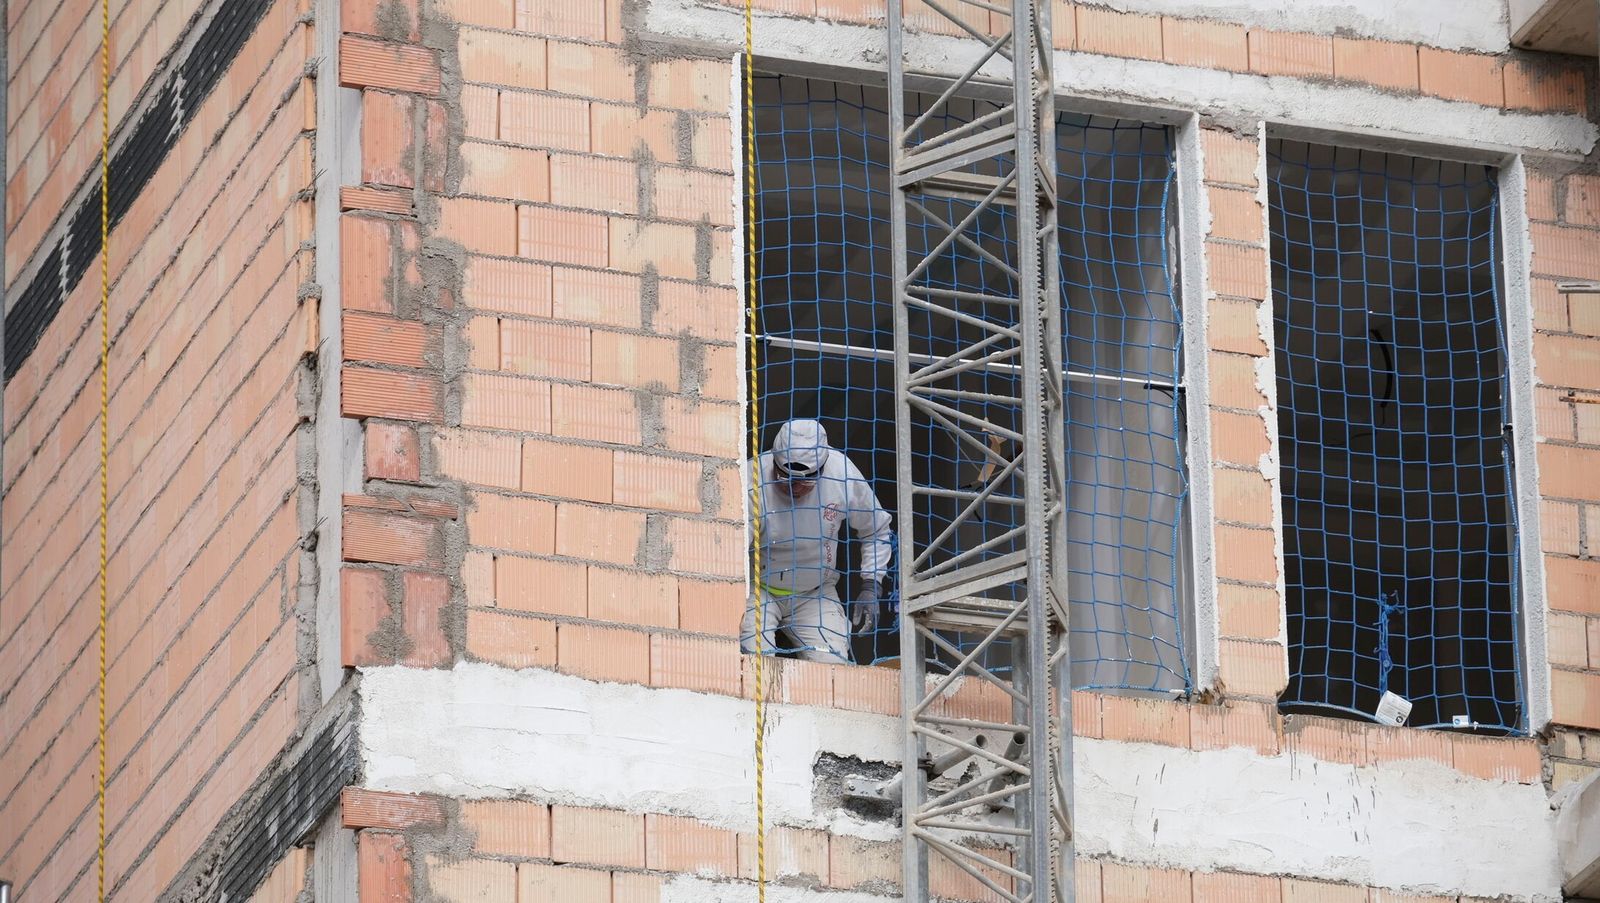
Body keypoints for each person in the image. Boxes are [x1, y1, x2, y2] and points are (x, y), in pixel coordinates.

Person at [742, 419, 893, 665]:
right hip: (759, 589)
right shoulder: (752, 479)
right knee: (754, 660)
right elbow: (733, 544)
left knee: (833, 668)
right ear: (775, 464)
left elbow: (876, 528)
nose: (796, 488)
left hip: (815, 592)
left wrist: (871, 584)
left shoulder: (841, 473)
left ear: (822, 468)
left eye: (805, 481)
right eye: (786, 478)